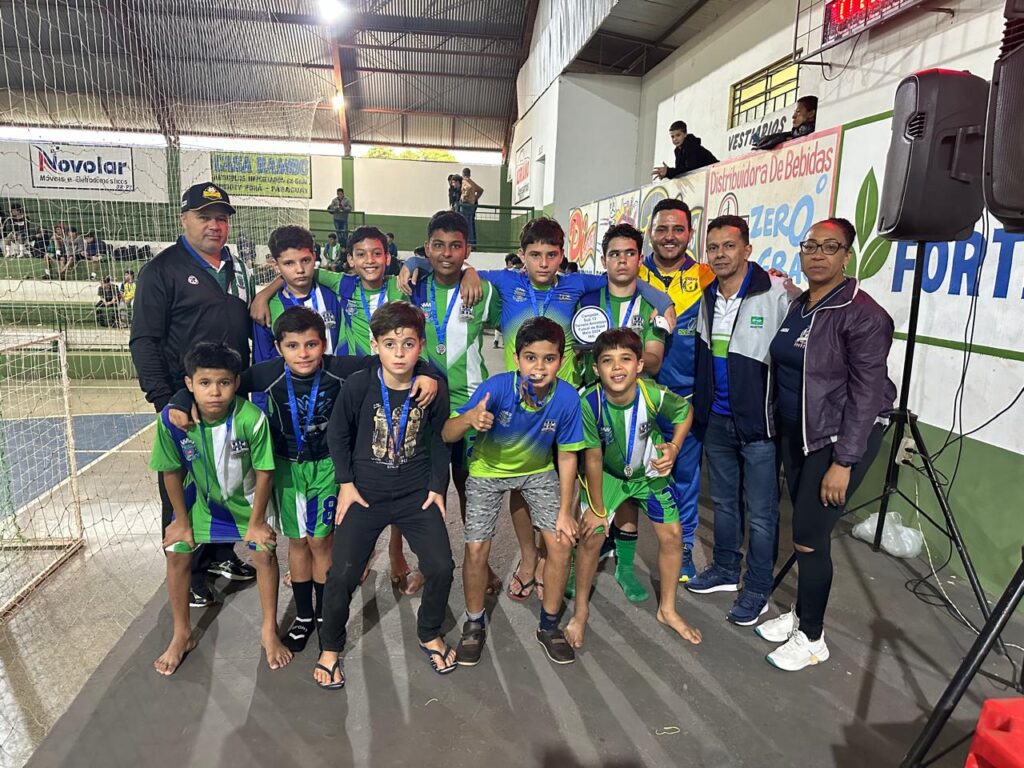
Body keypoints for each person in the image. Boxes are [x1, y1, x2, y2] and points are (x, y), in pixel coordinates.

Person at [402, 218, 674, 597]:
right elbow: (452, 266)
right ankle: (529, 559)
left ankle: (550, 556)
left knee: (564, 482)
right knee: (520, 485)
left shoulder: (577, 284)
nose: (544, 263)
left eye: (552, 255)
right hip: (516, 405)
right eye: (535, 255)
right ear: (522, 257)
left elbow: (623, 280)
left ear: (563, 256)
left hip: (563, 403)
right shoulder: (506, 281)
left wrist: (662, 300)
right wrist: (421, 265)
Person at [169, 307, 439, 653]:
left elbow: (392, 358)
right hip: (285, 469)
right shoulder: (265, 374)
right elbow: (223, 379)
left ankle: (326, 615)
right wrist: (180, 398)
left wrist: (429, 373)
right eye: (293, 346)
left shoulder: (341, 369)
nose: (303, 353)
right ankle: (304, 615)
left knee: (320, 543)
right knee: (297, 544)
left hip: (328, 467)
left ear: (323, 344)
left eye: (311, 344)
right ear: (278, 347)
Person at [757, 218, 895, 671]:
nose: (818, 254)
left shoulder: (864, 314)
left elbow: (867, 395)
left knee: (812, 538)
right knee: (803, 533)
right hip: (800, 435)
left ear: (847, 255)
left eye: (829, 247)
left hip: (837, 439)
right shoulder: (801, 305)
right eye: (810, 245)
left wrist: (845, 461)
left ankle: (813, 638)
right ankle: (800, 614)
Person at [130, 181, 258, 608]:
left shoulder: (237, 268)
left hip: (230, 401)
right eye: (205, 217)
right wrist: (167, 400)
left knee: (225, 478)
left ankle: (221, 553)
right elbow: (144, 341)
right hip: (187, 403)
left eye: (221, 218)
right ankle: (190, 572)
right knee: (184, 488)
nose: (215, 225)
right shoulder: (161, 271)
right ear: (184, 219)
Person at [317, 302, 455, 688]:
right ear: (375, 345)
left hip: (415, 494)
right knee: (342, 572)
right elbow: (337, 435)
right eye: (390, 343)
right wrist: (346, 483)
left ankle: (429, 631)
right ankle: (330, 647)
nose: (399, 353)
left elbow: (441, 440)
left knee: (441, 566)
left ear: (421, 346)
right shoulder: (360, 385)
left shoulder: (432, 389)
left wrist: (436, 487)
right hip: (365, 495)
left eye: (408, 344)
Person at [443, 317, 584, 666]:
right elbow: (447, 433)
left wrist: (566, 511)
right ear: (517, 358)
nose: (538, 368)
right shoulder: (495, 389)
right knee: (476, 549)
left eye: (548, 359)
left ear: (561, 360)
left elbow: (567, 456)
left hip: (538, 471)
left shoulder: (566, 398)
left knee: (562, 542)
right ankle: (474, 623)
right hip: (487, 472)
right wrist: (469, 419)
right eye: (530, 358)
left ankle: (549, 625)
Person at [149, 341, 288, 676]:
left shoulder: (252, 419)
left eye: (224, 383)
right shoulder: (174, 422)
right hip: (203, 504)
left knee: (264, 551)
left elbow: (266, 471)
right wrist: (181, 521)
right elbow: (169, 469)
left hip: (248, 502)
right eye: (205, 383)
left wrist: (256, 522)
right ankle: (182, 632)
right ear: (189, 385)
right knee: (178, 551)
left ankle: (269, 629)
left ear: (236, 383)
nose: (215, 392)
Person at [685, 216, 791, 625]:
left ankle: (758, 587)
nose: (720, 254)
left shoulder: (777, 292)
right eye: (713, 247)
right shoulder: (708, 296)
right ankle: (727, 569)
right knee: (726, 503)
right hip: (717, 421)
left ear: (747, 249)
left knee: (762, 512)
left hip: (760, 426)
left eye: (729, 246)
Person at [569, 328, 701, 648]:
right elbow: (594, 459)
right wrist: (599, 510)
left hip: (649, 474)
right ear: (596, 368)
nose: (617, 368)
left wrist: (673, 446)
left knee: (672, 536)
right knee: (591, 537)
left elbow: (685, 412)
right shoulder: (590, 403)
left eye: (625, 359)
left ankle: (667, 609)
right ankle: (580, 612)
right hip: (610, 474)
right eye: (607, 361)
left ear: (639, 365)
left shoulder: (653, 394)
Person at [409, 210, 503, 594]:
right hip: (423, 402)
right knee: (424, 488)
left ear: (468, 249)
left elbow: (507, 323)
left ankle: (478, 564)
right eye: (438, 245)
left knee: (470, 488)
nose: (447, 254)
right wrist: (410, 263)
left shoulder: (484, 290)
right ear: (427, 247)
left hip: (470, 404)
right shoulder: (412, 285)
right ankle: (426, 564)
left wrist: (474, 273)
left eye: (456, 246)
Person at [638, 199, 715, 581]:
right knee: (622, 473)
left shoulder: (707, 276)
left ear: (689, 234)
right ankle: (611, 544)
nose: (669, 237)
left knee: (683, 476)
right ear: (650, 232)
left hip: (684, 398)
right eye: (662, 229)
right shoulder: (631, 273)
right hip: (634, 398)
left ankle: (682, 548)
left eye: (678, 229)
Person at [252, 225, 345, 364]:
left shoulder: (333, 297)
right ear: (276, 265)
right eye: (289, 263)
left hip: (332, 382)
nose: (300, 269)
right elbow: (263, 363)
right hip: (288, 384)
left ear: (314, 257)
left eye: (306, 260)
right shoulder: (267, 309)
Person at [652, 120, 718, 179]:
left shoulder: (692, 146)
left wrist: (668, 171)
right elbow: (680, 172)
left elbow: (690, 170)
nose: (675, 139)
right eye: (672, 137)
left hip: (717, 173)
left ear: (685, 134)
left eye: (678, 135)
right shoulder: (677, 151)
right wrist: (666, 174)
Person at [754, 95, 819, 151]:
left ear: (811, 113)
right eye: (795, 112)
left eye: (798, 112)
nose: (793, 116)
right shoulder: (794, 133)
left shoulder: (809, 131)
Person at [458, 168, 484, 245]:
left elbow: (468, 187)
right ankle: (471, 243)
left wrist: (464, 197)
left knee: (464, 224)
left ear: (463, 174)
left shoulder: (464, 181)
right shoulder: (472, 182)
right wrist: (475, 198)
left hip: (465, 205)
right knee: (470, 224)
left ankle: (466, 242)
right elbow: (480, 190)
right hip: (472, 205)